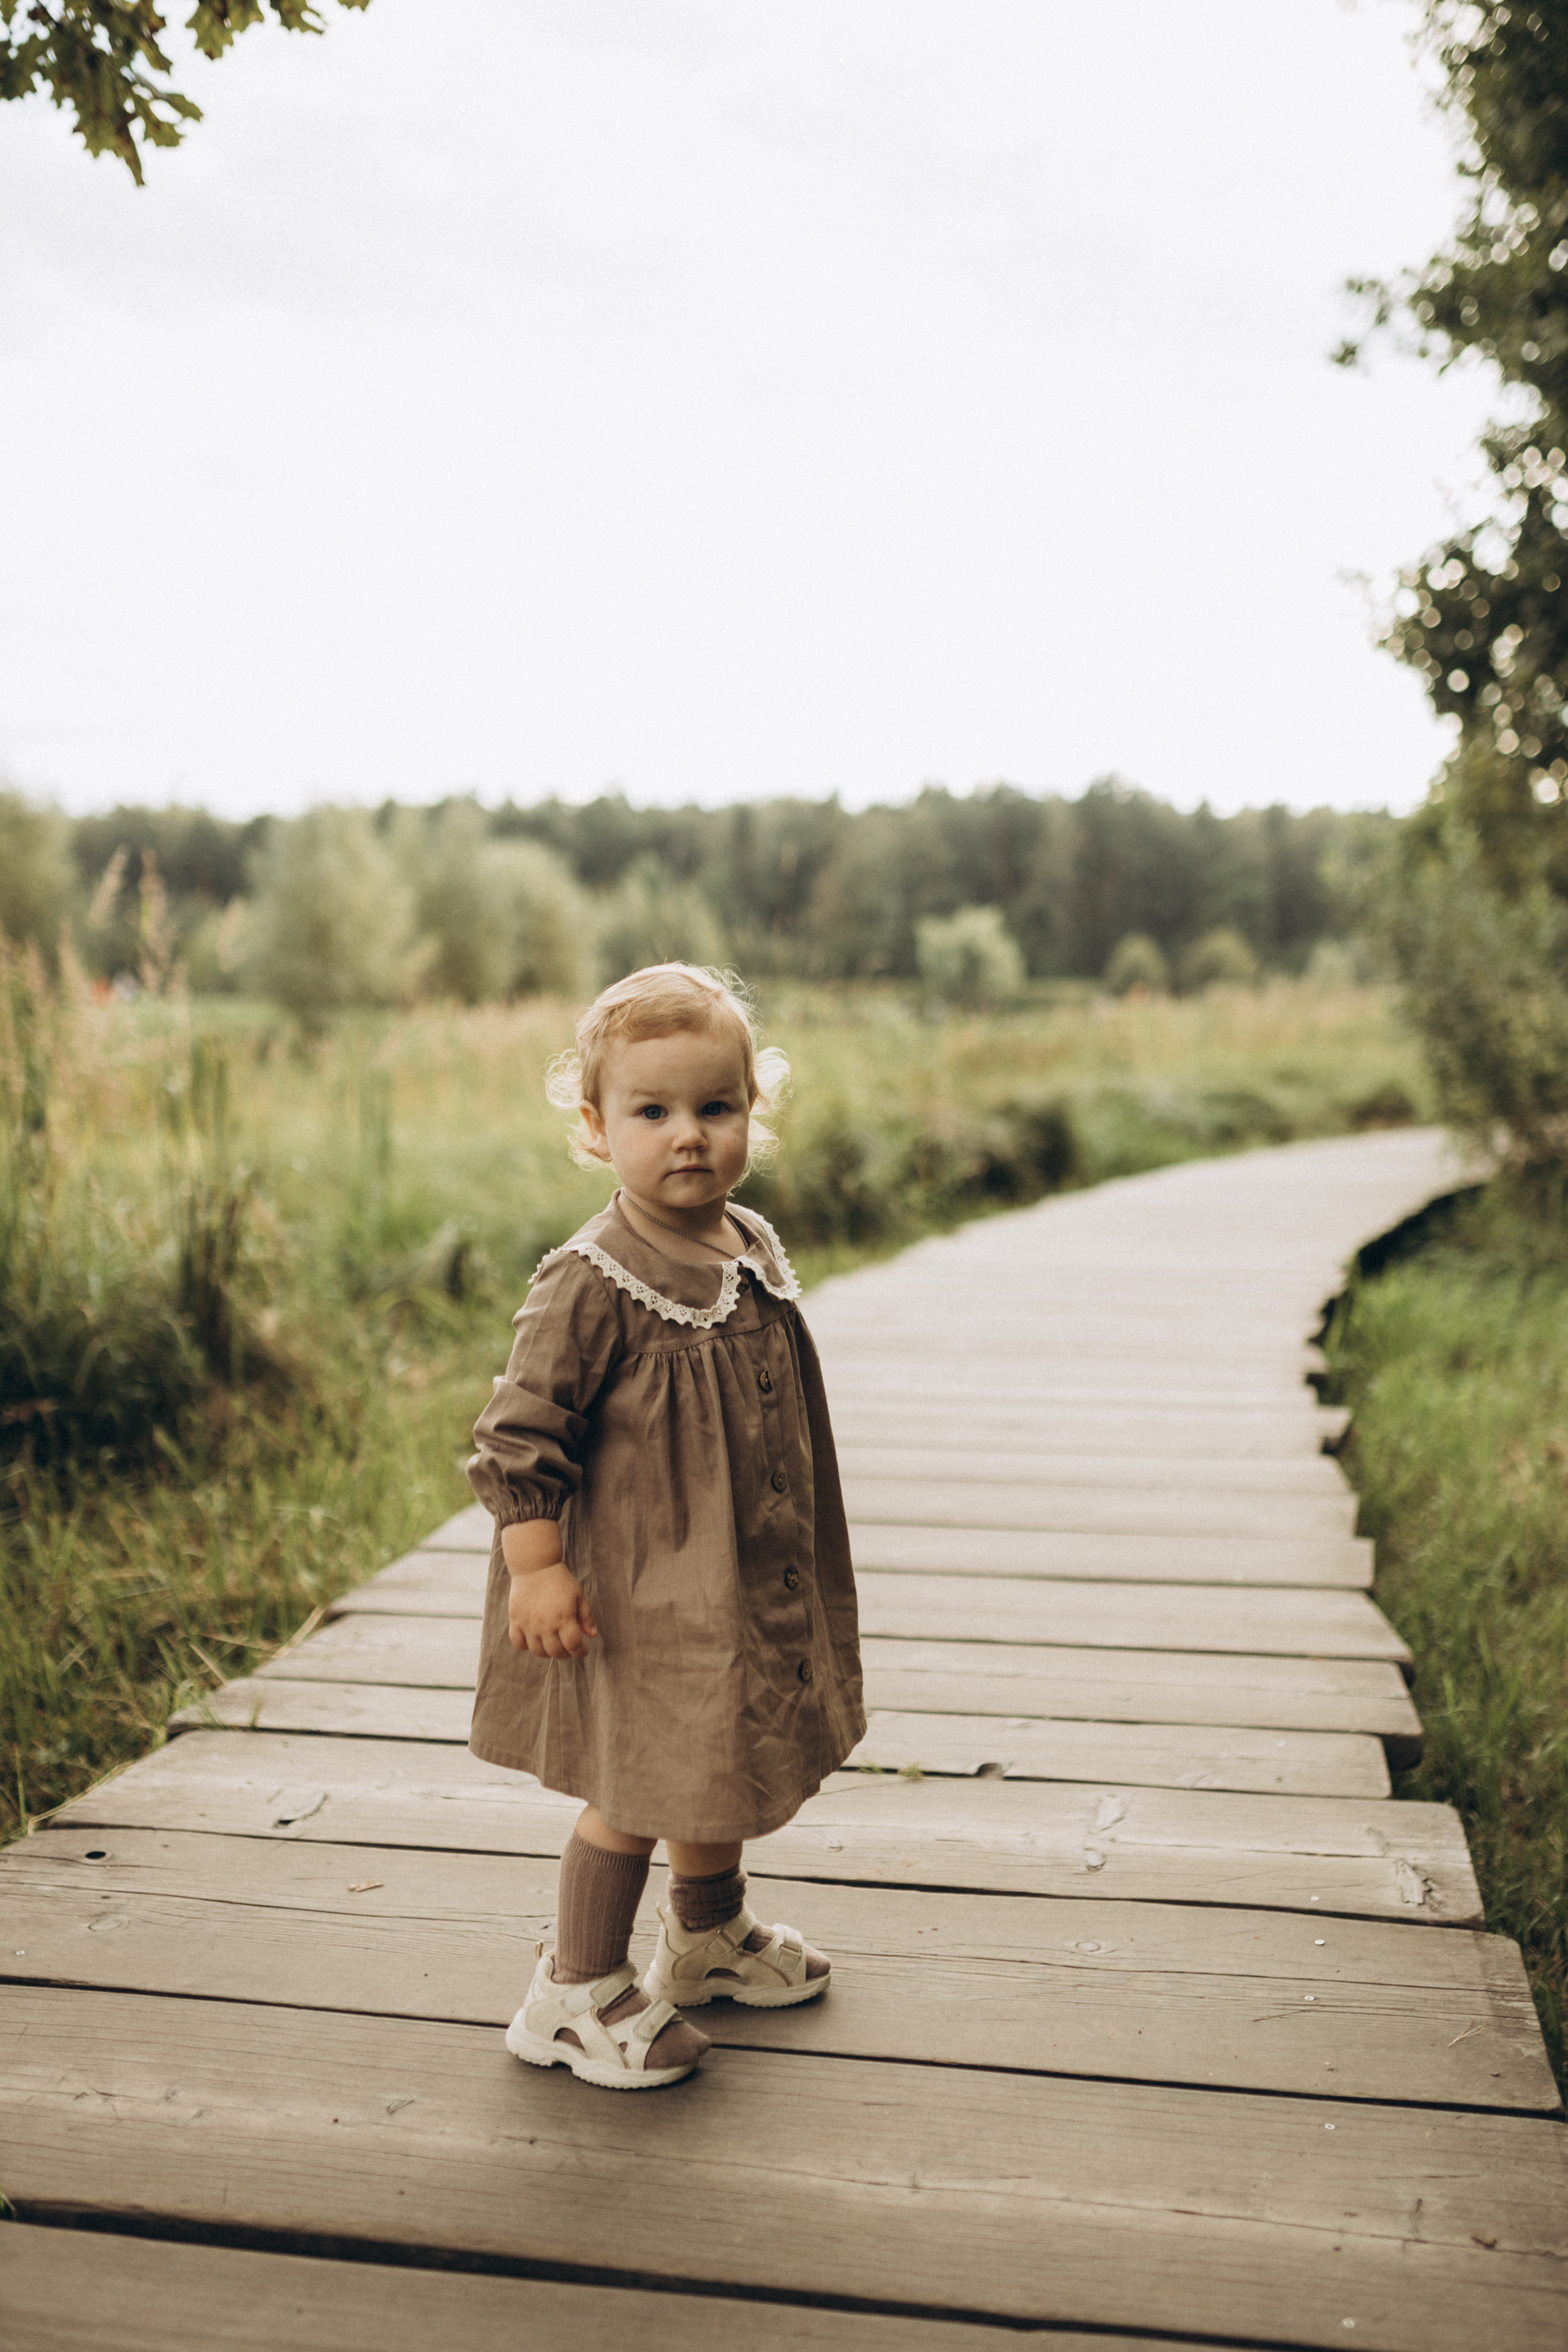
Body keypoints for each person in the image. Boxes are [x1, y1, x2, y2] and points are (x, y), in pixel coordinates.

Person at [466, 963, 865, 2090]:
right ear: (596, 1130)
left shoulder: (742, 1243)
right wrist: (537, 1568)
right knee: (641, 1779)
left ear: (754, 1113)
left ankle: (702, 1935)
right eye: (652, 1112)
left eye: (715, 1108)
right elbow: (517, 1436)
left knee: (715, 1746)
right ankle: (574, 1987)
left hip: (730, 1573)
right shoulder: (589, 1280)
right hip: (635, 1590)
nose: (687, 1137)